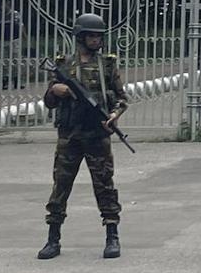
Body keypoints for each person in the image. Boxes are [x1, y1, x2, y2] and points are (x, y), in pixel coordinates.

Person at [37, 13, 129, 260]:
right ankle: (53, 239)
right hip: (69, 136)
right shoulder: (64, 64)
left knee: (105, 186)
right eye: (91, 35)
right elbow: (48, 101)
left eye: (99, 35)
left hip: (98, 135)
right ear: (80, 37)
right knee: (61, 186)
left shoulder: (107, 65)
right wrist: (56, 90)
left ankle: (112, 236)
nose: (96, 39)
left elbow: (122, 98)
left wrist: (114, 114)